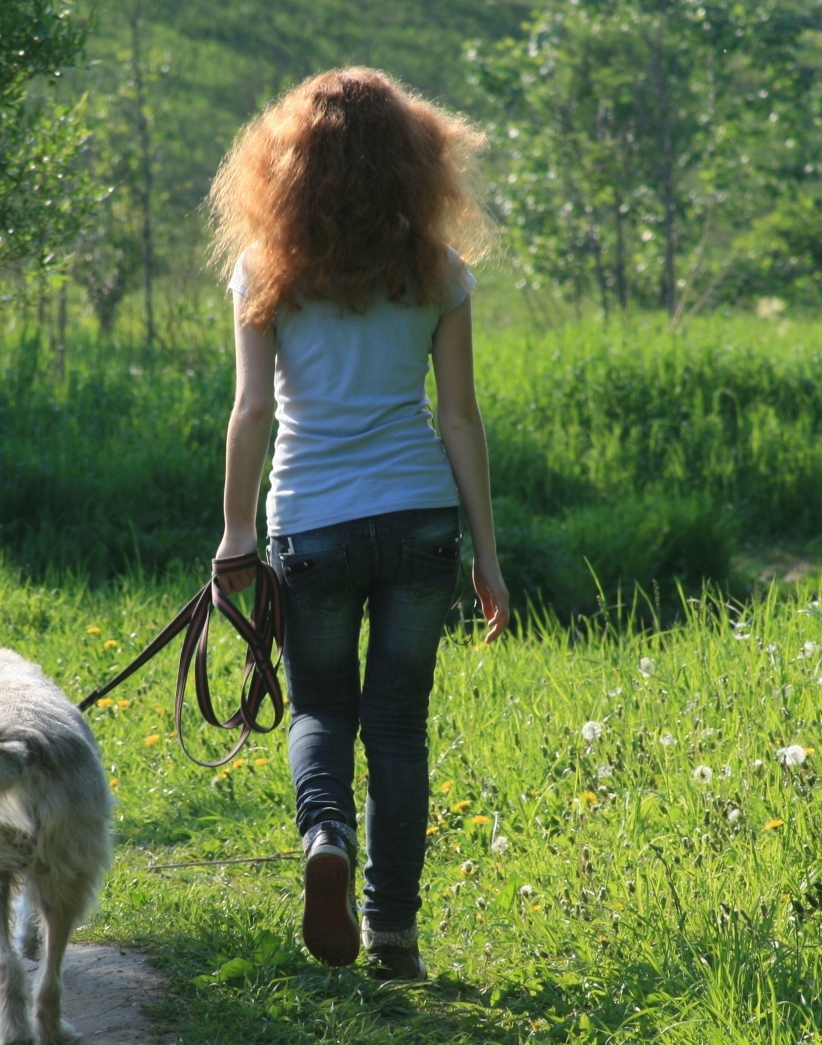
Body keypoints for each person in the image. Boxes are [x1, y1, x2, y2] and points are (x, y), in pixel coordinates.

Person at [207, 67, 509, 981]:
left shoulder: (263, 270)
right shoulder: (438, 272)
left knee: (324, 710)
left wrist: (235, 537)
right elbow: (460, 417)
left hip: (312, 520)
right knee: (399, 728)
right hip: (419, 518)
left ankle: (325, 837)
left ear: (287, 165)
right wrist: (487, 558)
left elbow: (252, 412)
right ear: (415, 162)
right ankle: (395, 937)